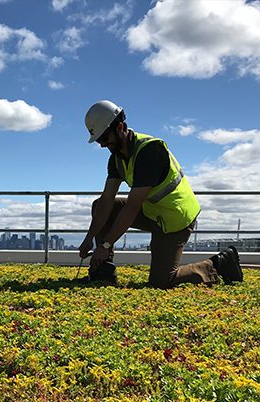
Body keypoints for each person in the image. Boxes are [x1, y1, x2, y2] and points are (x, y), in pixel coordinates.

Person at [79, 100, 243, 288]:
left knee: (162, 281)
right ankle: (104, 273)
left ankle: (220, 264)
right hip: (153, 211)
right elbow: (107, 200)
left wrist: (105, 245)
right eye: (99, 140)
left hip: (175, 219)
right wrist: (89, 239)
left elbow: (132, 207)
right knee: (99, 204)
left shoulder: (150, 151)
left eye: (104, 138)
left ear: (120, 127)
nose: (102, 145)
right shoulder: (116, 159)